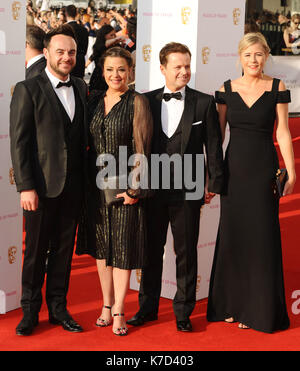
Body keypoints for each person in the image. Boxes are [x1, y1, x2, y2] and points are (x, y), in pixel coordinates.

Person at [127, 42, 224, 332]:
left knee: (186, 252)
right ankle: (147, 308)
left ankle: (183, 311)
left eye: (187, 66)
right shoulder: (145, 100)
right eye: (178, 66)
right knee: (150, 251)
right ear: (162, 69)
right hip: (152, 187)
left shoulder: (204, 103)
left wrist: (214, 182)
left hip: (189, 187)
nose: (184, 71)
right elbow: (135, 144)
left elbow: (214, 147)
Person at [207, 32, 296, 333]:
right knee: (234, 236)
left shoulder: (277, 88)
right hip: (234, 172)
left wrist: (292, 171)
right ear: (239, 57)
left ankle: (256, 308)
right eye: (248, 55)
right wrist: (213, 174)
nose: (253, 60)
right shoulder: (226, 89)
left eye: (258, 54)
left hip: (262, 171)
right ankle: (231, 304)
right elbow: (217, 138)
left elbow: (283, 132)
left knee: (260, 238)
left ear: (266, 56)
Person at [10, 24, 88, 336]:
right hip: (40, 188)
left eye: (71, 52)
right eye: (60, 51)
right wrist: (25, 186)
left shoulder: (81, 87)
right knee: (35, 253)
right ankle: (30, 311)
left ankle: (58, 308)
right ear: (46, 53)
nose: (67, 57)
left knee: (63, 250)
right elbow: (20, 142)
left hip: (73, 187)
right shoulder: (28, 89)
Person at [76, 47, 153, 336]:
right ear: (102, 71)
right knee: (101, 248)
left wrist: (135, 190)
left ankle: (120, 308)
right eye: (110, 70)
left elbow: (142, 149)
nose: (115, 75)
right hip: (94, 189)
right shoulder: (94, 100)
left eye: (121, 69)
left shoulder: (137, 102)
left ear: (130, 71)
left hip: (124, 189)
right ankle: (105, 305)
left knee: (122, 248)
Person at [87, 24, 125, 92]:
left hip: (113, 78)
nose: (113, 37)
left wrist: (126, 41)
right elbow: (94, 55)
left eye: (114, 35)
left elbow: (131, 47)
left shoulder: (117, 46)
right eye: (111, 35)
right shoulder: (99, 46)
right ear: (103, 35)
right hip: (99, 79)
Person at [65, 5, 88, 79]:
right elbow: (85, 49)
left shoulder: (63, 29)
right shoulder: (83, 29)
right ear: (76, 14)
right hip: (80, 60)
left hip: (67, 60)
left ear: (66, 14)